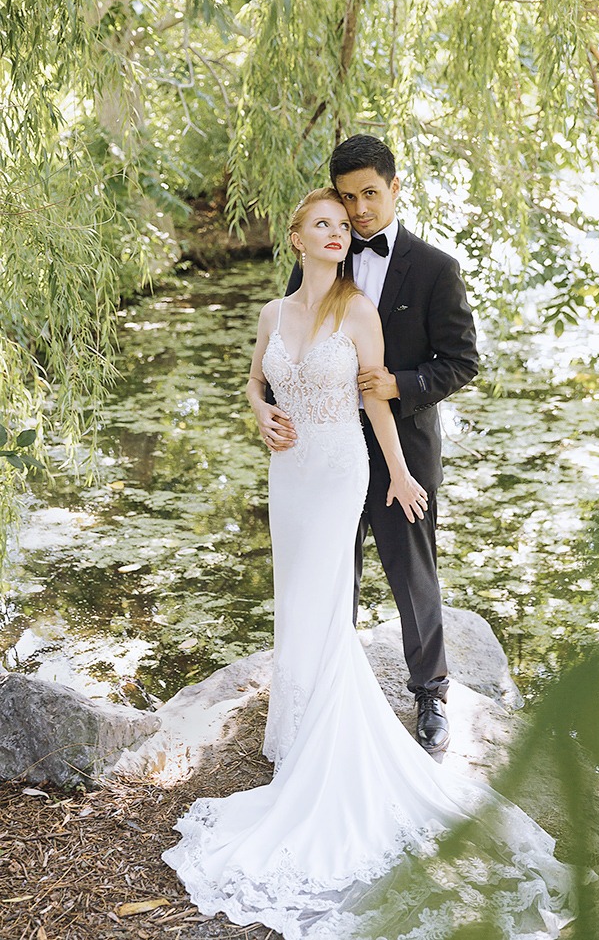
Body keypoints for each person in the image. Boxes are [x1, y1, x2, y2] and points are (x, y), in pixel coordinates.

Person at [163, 189, 575, 940]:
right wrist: (258, 410)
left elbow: (376, 400)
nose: (335, 231)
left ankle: (360, 722)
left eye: (340, 224)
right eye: (321, 223)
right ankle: (295, 729)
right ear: (294, 238)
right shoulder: (271, 314)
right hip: (288, 476)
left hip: (341, 467)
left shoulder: (357, 311)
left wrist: (398, 472)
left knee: (328, 597)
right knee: (300, 600)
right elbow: (255, 380)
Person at [258, 135, 478, 760]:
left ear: (395, 187)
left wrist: (400, 384)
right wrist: (267, 410)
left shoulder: (435, 268)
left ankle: (431, 693)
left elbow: (463, 361)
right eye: (347, 198)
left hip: (395, 445)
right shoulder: (322, 253)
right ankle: (325, 691)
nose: (356, 212)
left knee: (412, 572)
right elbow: (285, 352)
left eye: (369, 195)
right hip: (317, 451)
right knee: (331, 573)